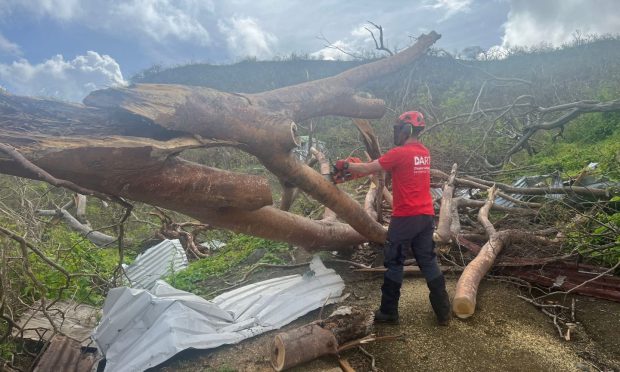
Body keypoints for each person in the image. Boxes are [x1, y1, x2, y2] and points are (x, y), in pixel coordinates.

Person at [334, 111, 451, 325]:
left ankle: (389, 312)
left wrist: (345, 166)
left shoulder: (400, 153)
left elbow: (370, 168)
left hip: (405, 216)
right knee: (428, 260)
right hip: (426, 216)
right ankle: (444, 312)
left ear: (406, 130)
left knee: (394, 261)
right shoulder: (424, 152)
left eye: (399, 129)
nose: (397, 133)